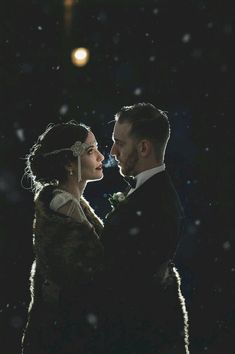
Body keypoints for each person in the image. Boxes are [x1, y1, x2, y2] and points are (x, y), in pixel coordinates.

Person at [100, 102, 190, 354]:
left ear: (143, 147)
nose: (113, 151)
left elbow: (126, 285)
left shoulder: (156, 205)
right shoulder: (151, 193)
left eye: (120, 142)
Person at [21, 120, 105, 354]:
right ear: (69, 163)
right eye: (90, 151)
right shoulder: (63, 204)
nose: (100, 157)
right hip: (65, 332)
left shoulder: (69, 201)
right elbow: (89, 268)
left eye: (97, 148)